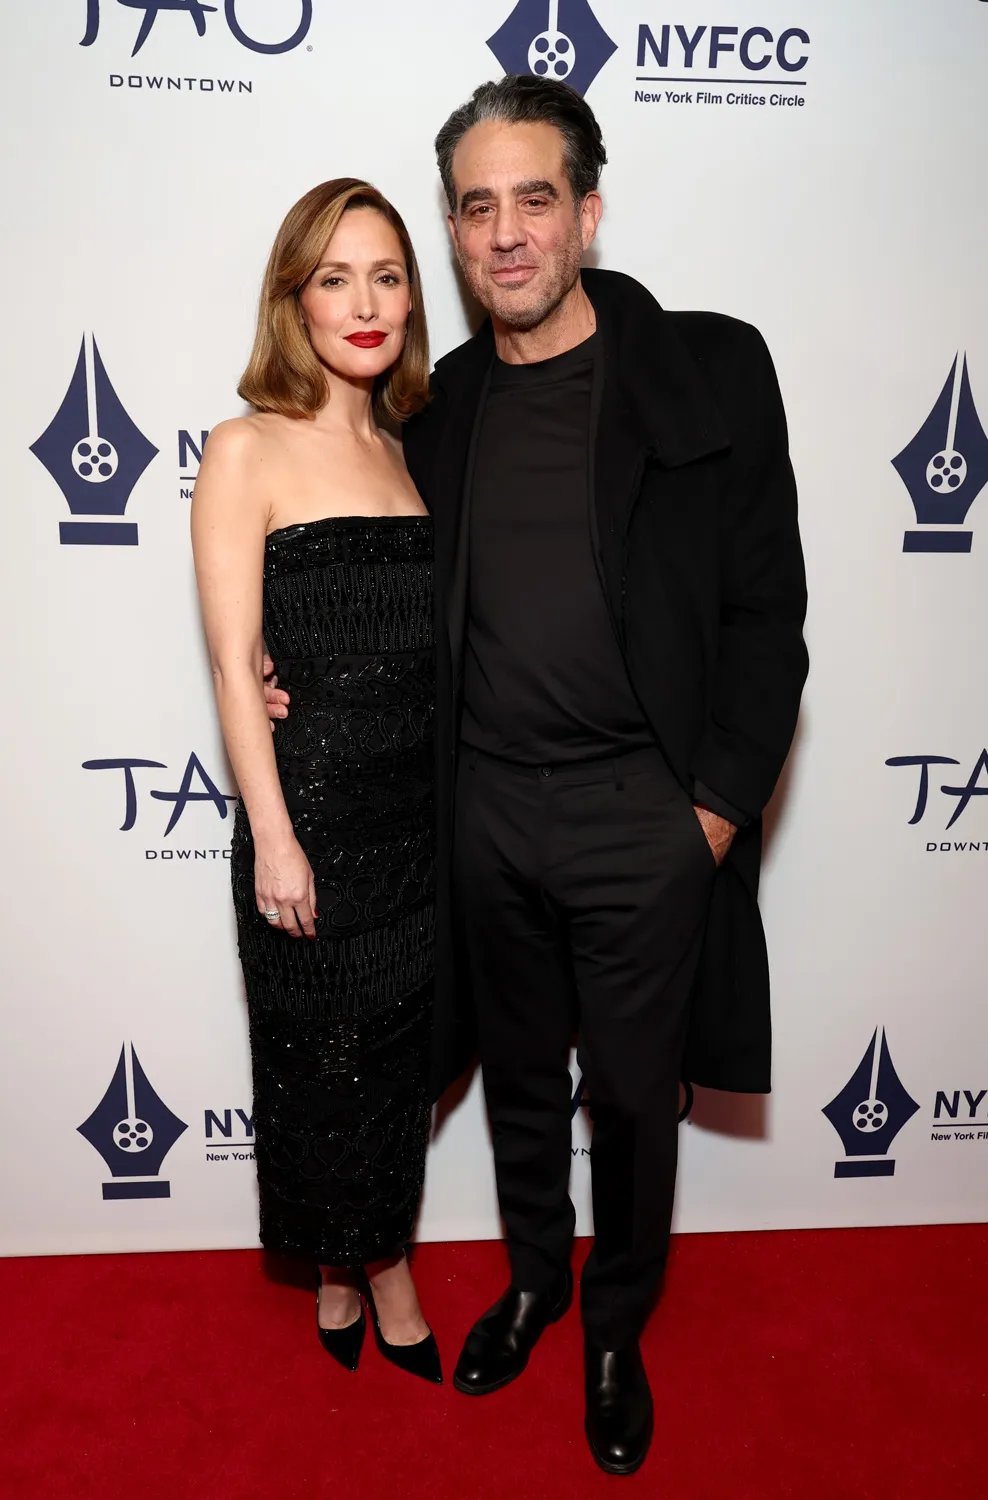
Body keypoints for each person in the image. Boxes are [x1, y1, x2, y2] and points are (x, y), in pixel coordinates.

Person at [268, 77, 808, 1475]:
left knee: (634, 1094)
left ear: (587, 209)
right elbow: (357, 578)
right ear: (454, 229)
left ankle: (616, 1326)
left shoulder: (711, 370)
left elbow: (766, 614)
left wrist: (711, 814)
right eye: (476, 206)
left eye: (534, 198)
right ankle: (534, 1283)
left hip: (648, 817)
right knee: (517, 1078)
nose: (505, 234)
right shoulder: (431, 417)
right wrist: (289, 671)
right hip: (484, 813)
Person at [192, 178, 442, 1384]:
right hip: (313, 826)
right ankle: (368, 1269)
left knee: (398, 1062)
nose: (364, 301)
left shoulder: (411, 453)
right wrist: (275, 839)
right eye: (334, 276)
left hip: (420, 829)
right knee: (315, 1069)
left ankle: (355, 1259)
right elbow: (240, 670)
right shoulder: (245, 449)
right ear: (293, 297)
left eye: (387, 275)